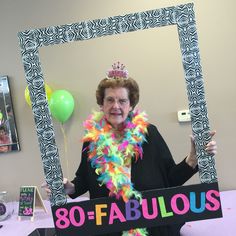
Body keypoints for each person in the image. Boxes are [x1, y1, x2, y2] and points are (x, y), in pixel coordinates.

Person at [42, 62, 217, 236]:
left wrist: (192, 160)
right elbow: (82, 181)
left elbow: (170, 179)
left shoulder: (149, 133)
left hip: (153, 228)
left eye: (122, 100)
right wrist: (67, 187)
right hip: (108, 228)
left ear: (131, 105)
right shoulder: (92, 140)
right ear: (101, 105)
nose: (115, 106)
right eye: (110, 100)